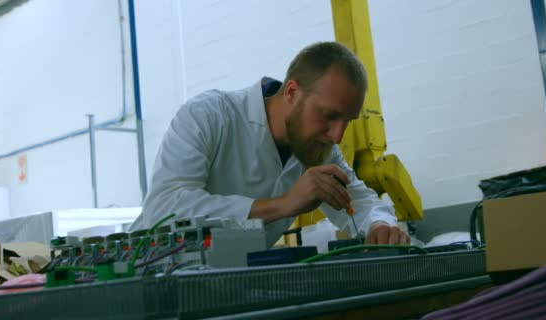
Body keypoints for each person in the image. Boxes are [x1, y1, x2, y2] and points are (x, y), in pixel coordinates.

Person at [130, 42, 410, 247]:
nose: (336, 136)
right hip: (142, 283)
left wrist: (380, 225)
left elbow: (360, 202)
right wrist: (282, 205)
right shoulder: (210, 115)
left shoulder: (319, 150)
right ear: (291, 92)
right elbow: (163, 209)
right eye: (329, 115)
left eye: (347, 121)